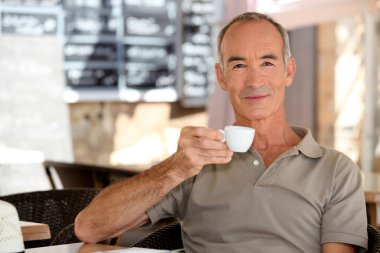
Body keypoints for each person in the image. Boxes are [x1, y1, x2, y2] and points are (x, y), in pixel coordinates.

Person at [75, 12, 368, 253]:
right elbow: (90, 228)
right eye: (239, 65)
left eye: (267, 62)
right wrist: (174, 169)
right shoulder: (194, 163)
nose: (254, 80)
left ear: (288, 71)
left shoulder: (336, 170)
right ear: (222, 77)